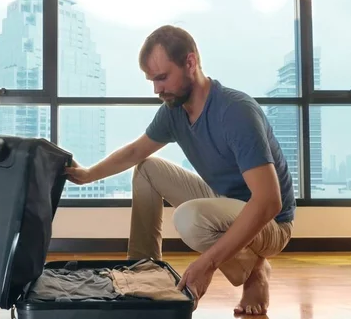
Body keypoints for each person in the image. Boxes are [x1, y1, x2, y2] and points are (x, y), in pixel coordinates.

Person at [64, 25, 296, 316]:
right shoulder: (174, 112)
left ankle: (254, 271)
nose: (156, 89)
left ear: (190, 62)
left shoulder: (236, 112)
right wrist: (87, 175)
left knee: (190, 219)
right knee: (146, 168)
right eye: (151, 80)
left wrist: (207, 264)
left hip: (272, 223)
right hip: (225, 202)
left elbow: (268, 202)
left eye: (162, 77)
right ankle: (142, 269)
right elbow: (136, 151)